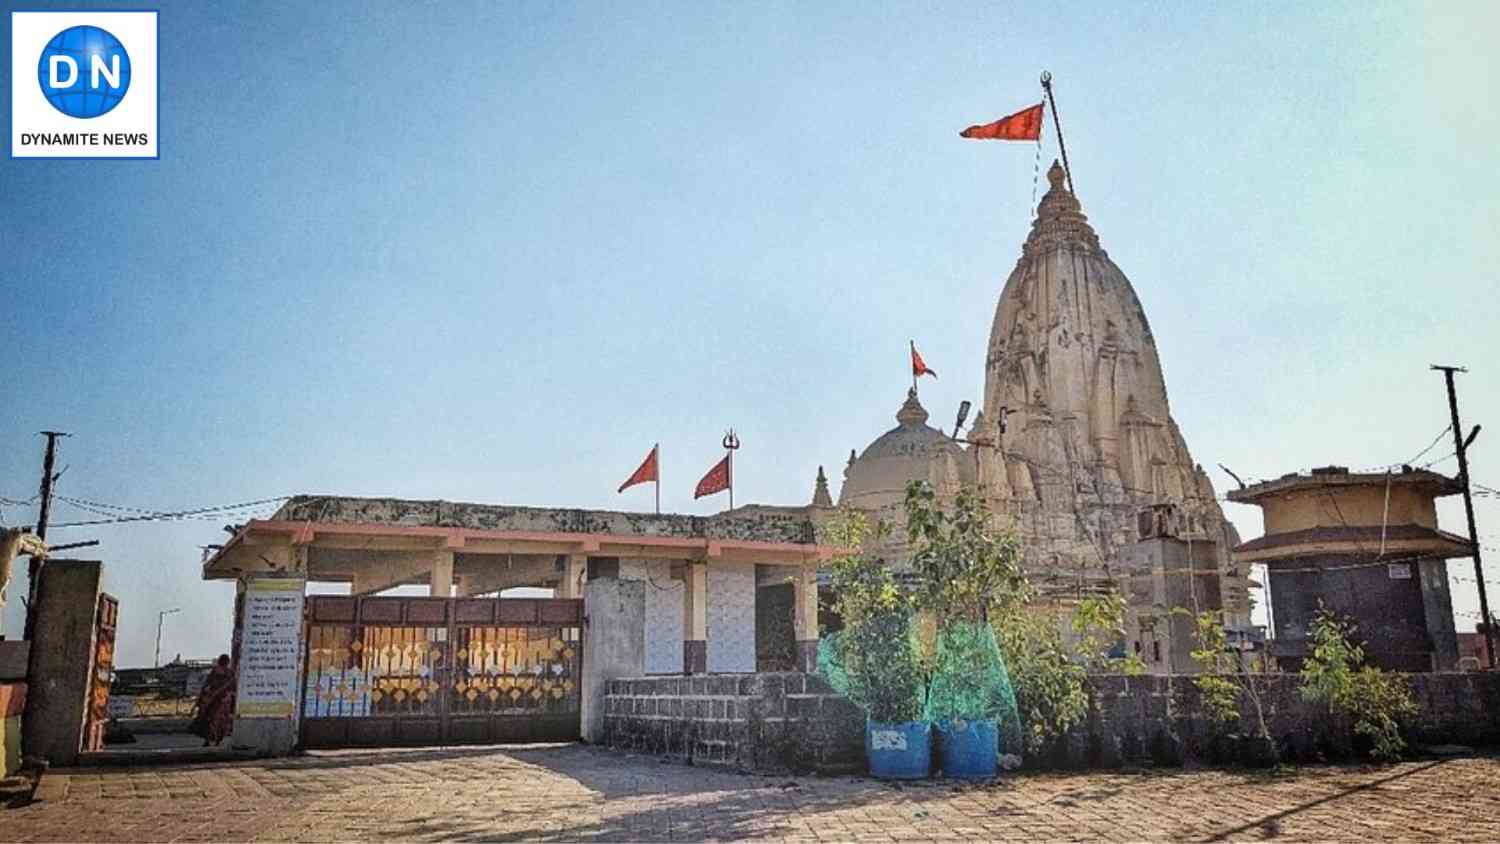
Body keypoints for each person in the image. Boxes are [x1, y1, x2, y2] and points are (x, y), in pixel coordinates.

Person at [189, 654, 235, 747]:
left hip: (215, 700)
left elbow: (206, 686)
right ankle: (215, 741)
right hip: (222, 701)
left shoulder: (217, 672)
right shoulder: (229, 673)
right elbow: (232, 688)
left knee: (211, 721)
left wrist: (200, 701)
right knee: (219, 722)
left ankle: (210, 740)